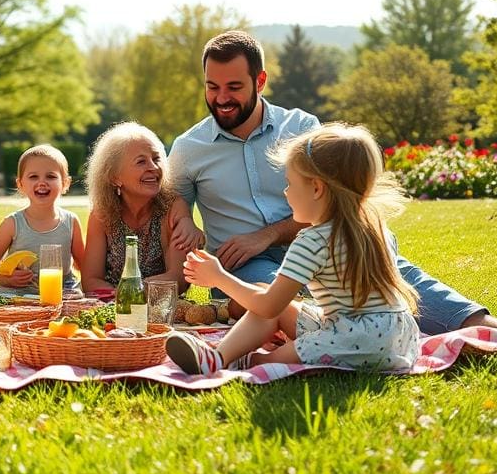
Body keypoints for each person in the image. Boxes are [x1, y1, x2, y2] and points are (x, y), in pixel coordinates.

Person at [168, 29, 497, 347]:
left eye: (233, 87)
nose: (221, 98)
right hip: (250, 270)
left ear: (260, 82)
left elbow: (340, 206)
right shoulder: (189, 148)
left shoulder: (303, 130)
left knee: (398, 278)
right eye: (212, 87)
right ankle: (357, 341)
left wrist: (267, 235)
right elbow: (172, 211)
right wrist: (185, 220)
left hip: (335, 245)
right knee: (269, 296)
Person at [167, 122, 420, 374]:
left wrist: (219, 277)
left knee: (263, 358)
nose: (286, 193)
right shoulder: (375, 229)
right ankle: (221, 356)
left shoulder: (313, 241)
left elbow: (268, 306)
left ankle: (225, 359)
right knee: (269, 297)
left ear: (317, 188)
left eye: (289, 184)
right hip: (399, 339)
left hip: (356, 340)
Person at [80, 121, 200, 293]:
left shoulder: (174, 208)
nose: (153, 167)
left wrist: (129, 296)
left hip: (160, 311)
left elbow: (178, 280)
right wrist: (121, 302)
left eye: (156, 158)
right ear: (114, 177)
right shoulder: (101, 214)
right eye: (141, 162)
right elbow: (91, 281)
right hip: (111, 308)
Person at [0, 144, 85, 296]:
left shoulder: (71, 221)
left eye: (50, 176)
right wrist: (7, 279)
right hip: (18, 295)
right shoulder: (12, 223)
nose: (42, 182)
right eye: (33, 177)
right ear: (20, 184)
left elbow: (85, 265)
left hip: (60, 294)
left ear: (65, 183)